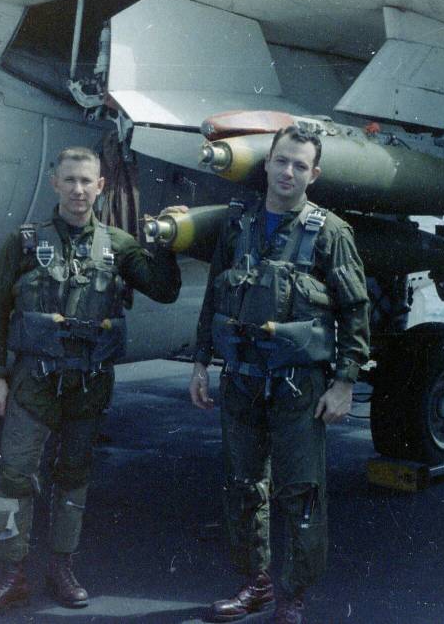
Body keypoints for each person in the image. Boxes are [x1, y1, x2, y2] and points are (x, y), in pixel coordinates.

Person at [0, 146, 181, 619]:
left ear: (101, 186)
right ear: (54, 183)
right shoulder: (24, 242)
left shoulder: (119, 244)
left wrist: (167, 244)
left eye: (87, 181)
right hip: (32, 384)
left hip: (88, 385)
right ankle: (11, 573)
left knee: (73, 480)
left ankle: (61, 568)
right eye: (70, 180)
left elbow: (164, 291)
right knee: (12, 477)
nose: (78, 190)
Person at [189, 126, 370, 624]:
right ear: (267, 163)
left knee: (301, 491)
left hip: (299, 385)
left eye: (299, 165)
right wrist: (202, 361)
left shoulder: (330, 232)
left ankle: (294, 596)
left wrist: (345, 382)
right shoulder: (239, 224)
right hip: (242, 378)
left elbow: (355, 309)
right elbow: (216, 295)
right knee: (243, 485)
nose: (288, 172)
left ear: (314, 174)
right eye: (281, 161)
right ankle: (257, 584)